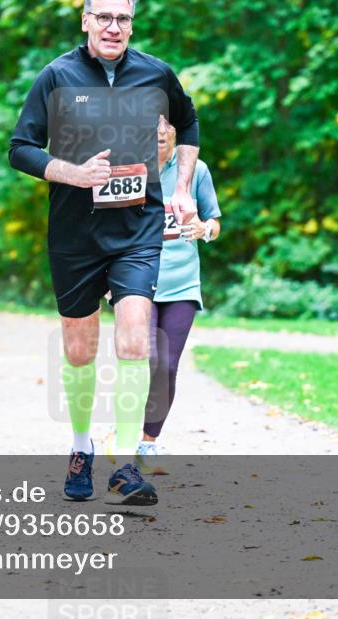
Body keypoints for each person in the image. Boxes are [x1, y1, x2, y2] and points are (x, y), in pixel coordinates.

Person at [9, 0, 199, 505]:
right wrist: (72, 173)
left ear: (131, 26)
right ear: (86, 21)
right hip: (75, 233)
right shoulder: (57, 76)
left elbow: (188, 124)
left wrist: (182, 188)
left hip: (137, 229)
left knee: (135, 338)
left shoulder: (156, 73)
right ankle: (81, 447)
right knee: (79, 351)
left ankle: (125, 463)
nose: (114, 27)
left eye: (123, 19)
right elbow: (20, 148)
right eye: (105, 17)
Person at [137, 115, 221, 472]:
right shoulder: (130, 169)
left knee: (166, 366)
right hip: (138, 280)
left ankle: (148, 441)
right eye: (153, 123)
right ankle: (124, 429)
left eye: (168, 124)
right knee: (143, 359)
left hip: (182, 282)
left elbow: (214, 222)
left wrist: (204, 229)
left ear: (178, 131)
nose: (160, 131)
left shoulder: (195, 170)